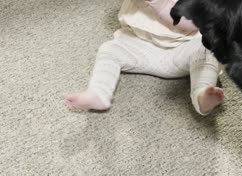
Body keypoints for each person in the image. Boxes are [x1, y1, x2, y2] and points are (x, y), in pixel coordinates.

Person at [65, 0, 224, 115]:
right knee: (109, 49)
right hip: (139, 43)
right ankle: (99, 92)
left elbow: (191, 23)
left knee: (208, 50)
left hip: (182, 49)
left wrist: (161, 5)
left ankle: (203, 95)